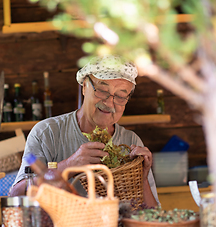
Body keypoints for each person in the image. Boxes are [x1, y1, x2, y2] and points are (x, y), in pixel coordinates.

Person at [9, 55, 159, 207]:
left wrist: (143, 179)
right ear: (84, 87)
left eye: (120, 96)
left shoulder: (130, 142)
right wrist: (70, 164)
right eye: (102, 90)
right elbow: (17, 194)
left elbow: (154, 218)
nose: (109, 102)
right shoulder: (47, 133)